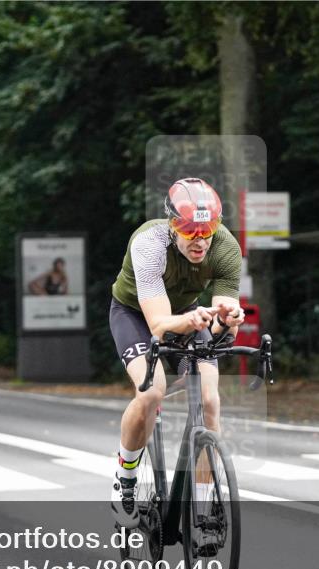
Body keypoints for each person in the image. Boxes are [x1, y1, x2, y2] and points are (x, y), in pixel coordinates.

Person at [108, 177, 245, 528]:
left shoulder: (226, 247)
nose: (200, 240)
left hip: (189, 313)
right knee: (151, 390)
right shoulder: (148, 244)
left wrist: (229, 319)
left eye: (207, 230)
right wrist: (192, 321)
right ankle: (125, 478)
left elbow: (221, 320)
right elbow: (158, 325)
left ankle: (202, 504)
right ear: (172, 225)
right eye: (190, 231)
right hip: (136, 315)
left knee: (211, 401)